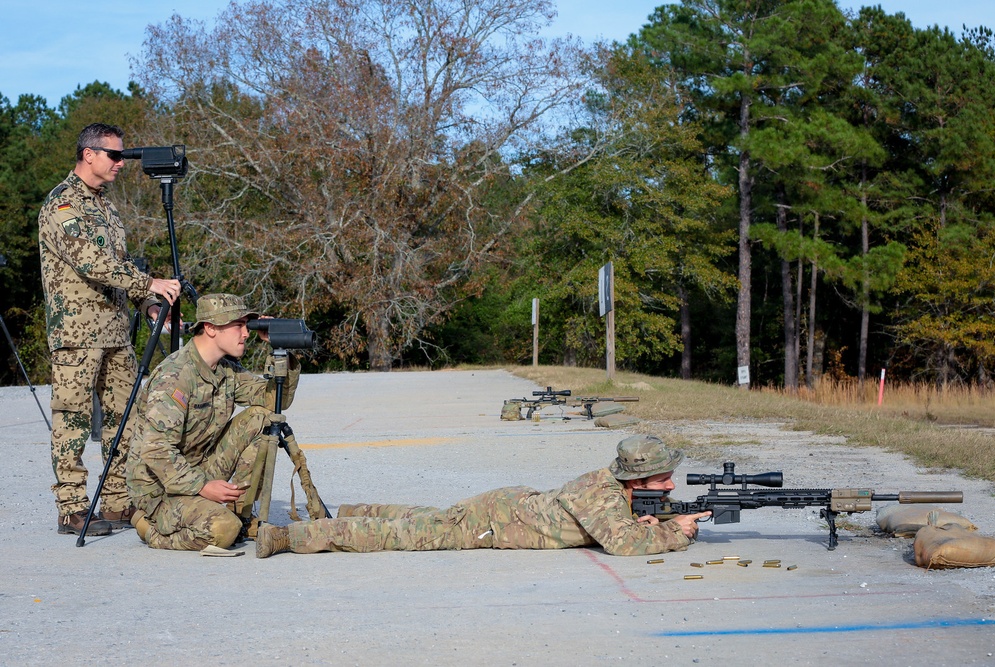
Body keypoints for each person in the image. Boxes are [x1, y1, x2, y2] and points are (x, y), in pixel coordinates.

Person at [38, 122, 181, 536]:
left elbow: (122, 268)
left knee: (129, 417)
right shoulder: (63, 206)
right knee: (73, 421)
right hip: (77, 335)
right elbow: (92, 263)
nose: (121, 163)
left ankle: (118, 501)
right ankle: (72, 508)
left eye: (122, 156)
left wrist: (150, 304)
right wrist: (149, 284)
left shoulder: (106, 208)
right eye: (114, 155)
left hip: (116, 333)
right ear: (88, 154)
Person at [255, 434, 712, 559]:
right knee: (393, 536)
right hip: (490, 524)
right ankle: (285, 537)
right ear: (636, 481)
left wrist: (652, 520)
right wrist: (676, 534)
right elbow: (625, 545)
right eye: (663, 480)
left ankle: (351, 509)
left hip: (504, 508)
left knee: (426, 518)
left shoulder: (612, 491)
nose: (672, 486)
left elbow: (625, 527)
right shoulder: (601, 495)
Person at [126, 293, 300, 551]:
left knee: (262, 418)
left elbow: (274, 400)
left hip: (196, 469)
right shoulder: (175, 376)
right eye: (238, 325)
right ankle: (150, 528)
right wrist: (203, 486)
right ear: (210, 328)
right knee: (222, 531)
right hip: (160, 489)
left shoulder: (225, 370)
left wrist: (280, 351)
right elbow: (156, 451)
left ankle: (241, 515)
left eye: (248, 325)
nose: (246, 333)